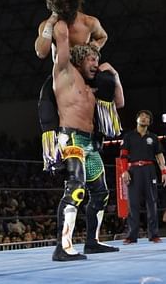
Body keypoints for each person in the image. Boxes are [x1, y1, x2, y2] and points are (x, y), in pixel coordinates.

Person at [50, 23, 124, 261]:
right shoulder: (66, 74)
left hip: (90, 143)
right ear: (80, 59)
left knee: (101, 193)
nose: (95, 63)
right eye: (91, 59)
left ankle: (92, 242)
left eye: (96, 60)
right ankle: (64, 247)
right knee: (76, 189)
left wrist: (115, 75)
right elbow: (61, 40)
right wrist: (59, 16)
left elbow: (119, 103)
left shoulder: (93, 89)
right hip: (70, 138)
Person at [34, 0, 110, 173]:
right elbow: (41, 52)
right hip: (61, 76)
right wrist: (50, 22)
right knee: (45, 97)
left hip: (85, 74)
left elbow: (103, 37)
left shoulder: (88, 22)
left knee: (107, 81)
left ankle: (104, 130)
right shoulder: (50, 24)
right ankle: (52, 155)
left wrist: (91, 50)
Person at [119, 110, 166, 244]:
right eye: (142, 116)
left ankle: (154, 235)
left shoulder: (153, 137)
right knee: (133, 203)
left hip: (149, 170)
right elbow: (123, 155)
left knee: (152, 202)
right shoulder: (129, 136)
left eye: (147, 117)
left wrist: (164, 172)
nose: (144, 118)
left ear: (149, 122)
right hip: (133, 170)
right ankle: (132, 236)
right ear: (137, 119)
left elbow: (159, 155)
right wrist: (124, 171)